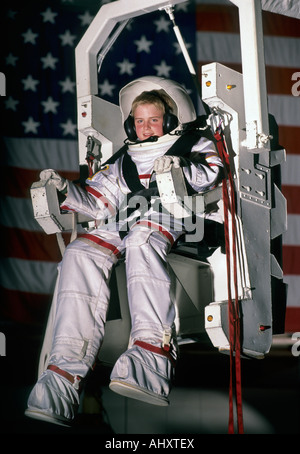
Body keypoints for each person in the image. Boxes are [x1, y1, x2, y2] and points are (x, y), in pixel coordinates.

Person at [25, 76, 223, 426]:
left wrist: (179, 169)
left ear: (171, 121)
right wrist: (65, 191)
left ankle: (152, 356)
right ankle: (64, 375)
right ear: (131, 123)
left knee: (141, 240)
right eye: (140, 120)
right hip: (126, 220)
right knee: (79, 253)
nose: (146, 127)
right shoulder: (123, 159)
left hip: (175, 216)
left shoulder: (194, 143)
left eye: (154, 119)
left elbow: (211, 172)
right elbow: (98, 201)